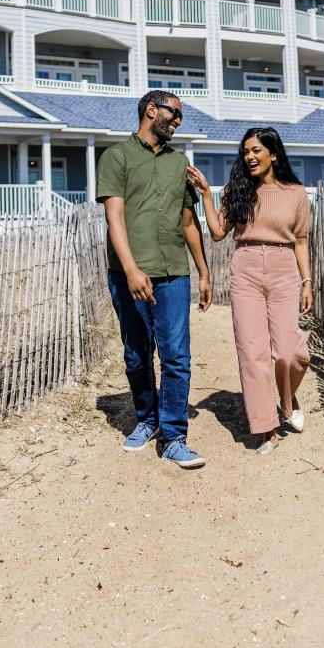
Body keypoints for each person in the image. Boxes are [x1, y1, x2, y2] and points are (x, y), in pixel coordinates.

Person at [95, 90, 212, 469]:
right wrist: (130, 269)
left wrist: (204, 271)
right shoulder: (116, 157)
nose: (178, 122)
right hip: (129, 274)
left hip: (173, 274)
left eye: (180, 117)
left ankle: (175, 436)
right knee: (136, 354)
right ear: (151, 110)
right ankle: (147, 420)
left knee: (177, 357)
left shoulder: (180, 164)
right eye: (174, 113)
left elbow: (188, 221)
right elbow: (115, 218)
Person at [186, 127, 311, 455]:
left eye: (256, 150)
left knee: (291, 353)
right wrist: (206, 196)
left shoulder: (296, 193)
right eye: (246, 152)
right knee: (253, 353)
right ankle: (267, 428)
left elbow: (300, 240)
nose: (250, 157)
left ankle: (287, 398)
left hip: (284, 269)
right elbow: (216, 232)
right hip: (246, 268)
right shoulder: (238, 190)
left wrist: (307, 280)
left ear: (273, 153)